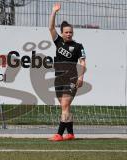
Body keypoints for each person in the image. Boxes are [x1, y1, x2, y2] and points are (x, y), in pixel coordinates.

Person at [48, 3, 86, 141]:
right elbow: (51, 28)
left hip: (71, 79)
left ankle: (59, 134)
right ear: (62, 33)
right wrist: (54, 12)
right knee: (65, 107)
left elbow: (82, 62)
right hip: (59, 79)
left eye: (71, 32)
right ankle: (70, 133)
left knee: (65, 105)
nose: (69, 34)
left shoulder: (78, 46)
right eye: (66, 32)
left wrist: (80, 77)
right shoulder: (58, 42)